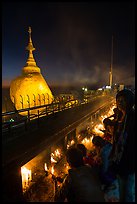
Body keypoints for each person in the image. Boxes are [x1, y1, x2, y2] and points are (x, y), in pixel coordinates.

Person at [108, 88, 135, 202]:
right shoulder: (120, 116)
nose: (119, 102)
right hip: (119, 158)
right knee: (121, 186)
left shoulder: (133, 117)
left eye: (123, 100)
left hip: (129, 158)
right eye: (118, 100)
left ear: (129, 102)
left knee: (128, 190)